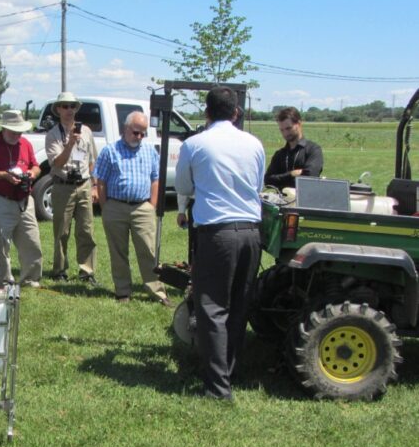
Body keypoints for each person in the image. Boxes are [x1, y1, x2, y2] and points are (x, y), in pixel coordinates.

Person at [175, 87, 265, 401]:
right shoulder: (254, 144)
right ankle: (229, 372)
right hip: (252, 233)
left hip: (217, 233)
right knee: (239, 305)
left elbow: (184, 185)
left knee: (212, 307)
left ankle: (217, 388)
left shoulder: (194, 144)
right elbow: (258, 185)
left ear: (207, 112)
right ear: (236, 112)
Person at [94, 111, 171, 306]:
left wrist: (151, 205)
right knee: (118, 252)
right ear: (125, 129)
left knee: (148, 251)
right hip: (115, 207)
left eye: (143, 134)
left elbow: (155, 179)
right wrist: (106, 207)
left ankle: (156, 291)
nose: (139, 137)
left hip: (142, 208)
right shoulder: (110, 151)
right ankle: (123, 291)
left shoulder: (149, 151)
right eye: (136, 132)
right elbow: (100, 182)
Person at [0, 110, 43, 288]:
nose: (17, 135)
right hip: (1, 199)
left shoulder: (26, 143)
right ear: (4, 128)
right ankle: (4, 280)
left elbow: (36, 166)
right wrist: (4, 176)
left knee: (32, 240)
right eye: (14, 131)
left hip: (25, 200)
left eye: (20, 132)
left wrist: (31, 174)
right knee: (1, 242)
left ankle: (31, 279)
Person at [45, 91, 98, 284]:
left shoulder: (87, 132)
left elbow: (92, 161)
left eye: (72, 106)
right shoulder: (52, 135)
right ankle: (59, 270)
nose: (69, 110)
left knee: (86, 231)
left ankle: (87, 271)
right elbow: (57, 163)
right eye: (65, 106)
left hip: (83, 185)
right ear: (58, 109)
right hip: (62, 186)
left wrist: (94, 186)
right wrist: (70, 144)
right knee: (62, 231)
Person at [265, 106, 323, 190]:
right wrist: (291, 174)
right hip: (282, 201)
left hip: (305, 200)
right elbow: (268, 181)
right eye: (282, 130)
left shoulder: (313, 150)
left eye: (288, 128)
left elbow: (310, 177)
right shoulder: (280, 154)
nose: (285, 133)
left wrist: (281, 179)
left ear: (299, 124)